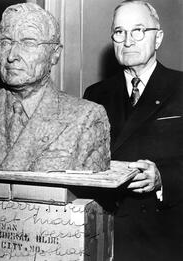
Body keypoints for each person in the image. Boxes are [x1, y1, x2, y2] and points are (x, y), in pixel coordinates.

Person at [0, 3, 110, 173]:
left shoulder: (86, 118)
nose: (12, 56)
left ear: (55, 54)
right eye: (6, 42)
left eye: (28, 43)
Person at [83, 1, 183, 260]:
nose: (127, 41)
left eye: (138, 30)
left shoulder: (181, 87)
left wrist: (163, 178)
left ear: (157, 38)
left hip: (166, 235)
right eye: (119, 32)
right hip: (108, 232)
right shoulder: (95, 94)